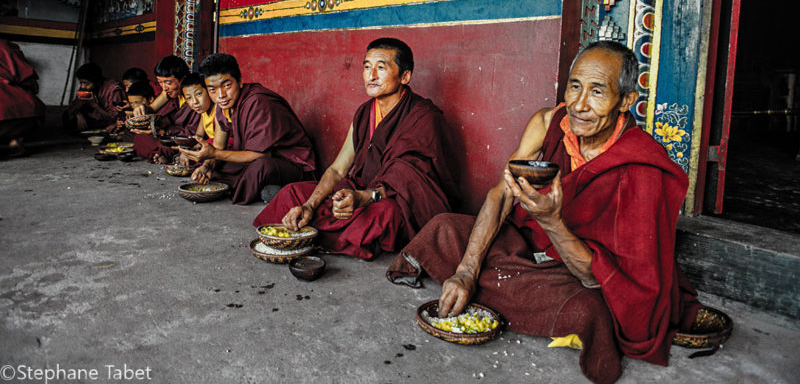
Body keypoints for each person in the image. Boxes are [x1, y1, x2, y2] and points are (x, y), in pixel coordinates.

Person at [387, 41, 701, 384]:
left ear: (626, 100)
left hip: (578, 270)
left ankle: (500, 292)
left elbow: (597, 277)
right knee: (444, 227)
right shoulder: (548, 122)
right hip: (529, 250)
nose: (579, 105)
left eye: (597, 91)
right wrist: (465, 270)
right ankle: (485, 284)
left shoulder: (641, 165)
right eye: (574, 87)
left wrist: (552, 221)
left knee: (591, 310)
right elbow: (501, 194)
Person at [252, 38, 461, 260]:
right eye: (367, 67)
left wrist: (365, 197)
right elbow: (337, 170)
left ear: (405, 76)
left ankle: (312, 232)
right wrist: (310, 205)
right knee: (292, 194)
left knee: (384, 216)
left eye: (381, 68)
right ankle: (317, 225)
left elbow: (413, 184)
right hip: (357, 189)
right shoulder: (363, 113)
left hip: (391, 199)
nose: (371, 76)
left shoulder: (424, 117)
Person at [180, 53, 315, 205]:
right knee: (219, 166)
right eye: (212, 90)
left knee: (260, 168)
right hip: (256, 159)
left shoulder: (259, 102)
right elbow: (218, 146)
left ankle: (283, 190)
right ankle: (267, 190)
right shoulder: (223, 107)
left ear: (240, 81)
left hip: (290, 165)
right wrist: (206, 166)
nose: (221, 95)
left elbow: (258, 155)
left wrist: (215, 154)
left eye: (227, 85)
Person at [131, 55, 200, 163]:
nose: (164, 87)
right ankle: (163, 155)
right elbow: (152, 108)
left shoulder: (195, 98)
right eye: (160, 82)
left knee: (170, 146)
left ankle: (168, 156)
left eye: (168, 82)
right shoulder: (170, 92)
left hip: (183, 138)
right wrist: (142, 110)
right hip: (170, 135)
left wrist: (163, 131)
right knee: (141, 138)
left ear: (183, 79)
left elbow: (194, 133)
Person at [0, 39, 46, 157]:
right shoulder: (5, 46)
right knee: (35, 109)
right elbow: (30, 81)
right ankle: (15, 140)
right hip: (20, 118)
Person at [62, 62, 126, 132]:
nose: (83, 86)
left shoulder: (114, 89)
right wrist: (78, 114)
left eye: (86, 83)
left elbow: (114, 117)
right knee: (67, 117)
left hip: (109, 121)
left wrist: (94, 105)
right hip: (94, 118)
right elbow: (74, 106)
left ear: (97, 82)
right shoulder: (85, 89)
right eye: (81, 83)